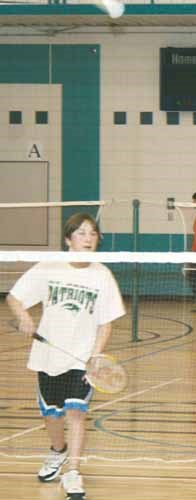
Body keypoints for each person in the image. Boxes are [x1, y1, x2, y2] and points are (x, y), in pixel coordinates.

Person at [6, 213, 125, 500]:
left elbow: (105, 323)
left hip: (82, 358)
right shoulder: (50, 267)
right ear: (68, 239)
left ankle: (73, 472)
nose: (88, 238)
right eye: (81, 233)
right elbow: (14, 298)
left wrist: (95, 358)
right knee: (52, 415)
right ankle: (58, 450)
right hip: (48, 355)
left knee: (76, 413)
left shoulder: (102, 275)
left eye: (93, 233)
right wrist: (23, 317)